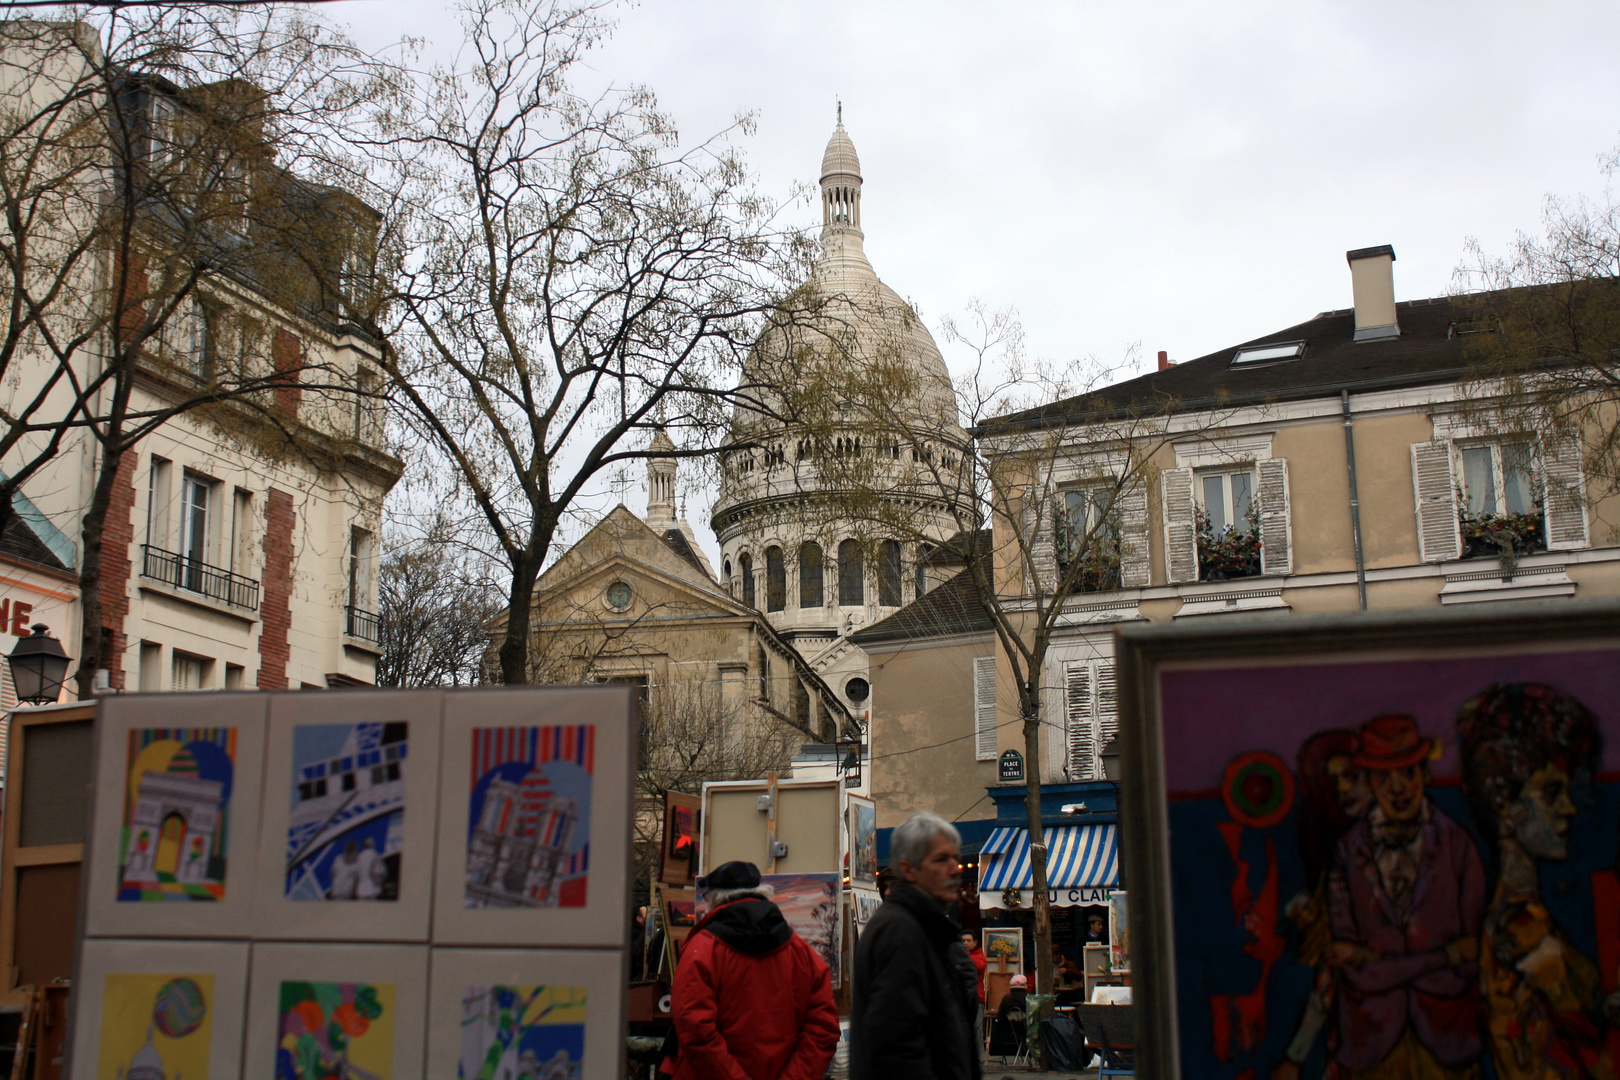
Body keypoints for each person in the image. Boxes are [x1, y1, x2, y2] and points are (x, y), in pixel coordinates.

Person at [1457, 682, 1620, 1079]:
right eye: (1550, 793)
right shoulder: (1523, 930)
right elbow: (1597, 1068)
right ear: (1503, 803)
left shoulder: (1523, 918)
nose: (1567, 810)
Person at [1327, 713, 1485, 1078]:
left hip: (1449, 1041)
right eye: (1383, 777)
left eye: (1408, 773)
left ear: (1425, 775)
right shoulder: (1347, 853)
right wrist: (1443, 954)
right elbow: (1355, 972)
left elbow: (1470, 958)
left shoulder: (1458, 846)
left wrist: (1382, 962)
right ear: (1369, 782)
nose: (1398, 788)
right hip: (1372, 1045)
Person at [666, 860, 840, 1080]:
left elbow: (695, 1030)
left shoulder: (702, 950)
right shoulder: (802, 954)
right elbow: (823, 1030)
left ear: (714, 898)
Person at [852, 812, 981, 1080]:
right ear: (909, 869)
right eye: (941, 860)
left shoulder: (923, 927)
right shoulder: (901, 932)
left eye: (956, 859)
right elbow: (897, 1046)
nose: (954, 868)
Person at [961, 931, 988, 1060]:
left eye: (968, 940)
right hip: (960, 999)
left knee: (976, 1030)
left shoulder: (979, 956)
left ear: (975, 942)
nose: (965, 943)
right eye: (963, 941)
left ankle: (979, 1062)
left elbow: (978, 966)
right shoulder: (959, 956)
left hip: (976, 999)